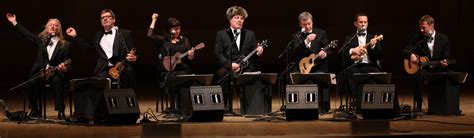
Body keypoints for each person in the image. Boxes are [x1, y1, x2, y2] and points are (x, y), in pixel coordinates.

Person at [6, 13, 71, 119]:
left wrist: (65, 68)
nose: (53, 26)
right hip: (41, 73)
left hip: (55, 73)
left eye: (55, 25)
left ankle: (61, 111)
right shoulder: (42, 41)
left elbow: (68, 61)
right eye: (50, 25)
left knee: (57, 81)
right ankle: (35, 110)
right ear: (46, 28)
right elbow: (27, 34)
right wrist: (14, 22)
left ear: (59, 29)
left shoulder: (65, 44)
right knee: (31, 82)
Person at [66, 9, 137, 89]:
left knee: (128, 75)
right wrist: (75, 36)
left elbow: (133, 51)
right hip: (104, 69)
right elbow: (88, 49)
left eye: (108, 17)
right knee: (96, 86)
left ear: (114, 19)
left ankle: (127, 100)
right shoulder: (98, 36)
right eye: (102, 17)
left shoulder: (125, 33)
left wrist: (134, 58)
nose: (105, 19)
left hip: (121, 67)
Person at [214, 6, 264, 115]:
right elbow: (218, 54)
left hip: (246, 67)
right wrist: (230, 64)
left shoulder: (250, 34)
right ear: (230, 19)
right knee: (222, 73)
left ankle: (250, 107)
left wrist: (258, 53)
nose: (240, 20)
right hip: (229, 67)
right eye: (237, 17)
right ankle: (225, 107)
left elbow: (254, 58)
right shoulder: (221, 34)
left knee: (253, 74)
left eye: (242, 18)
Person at [147, 13, 195, 117]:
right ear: (169, 29)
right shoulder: (164, 40)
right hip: (168, 71)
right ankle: (174, 106)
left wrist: (191, 56)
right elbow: (150, 35)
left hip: (182, 69)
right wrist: (153, 20)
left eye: (178, 28)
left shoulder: (185, 40)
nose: (177, 31)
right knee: (170, 78)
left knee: (185, 78)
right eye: (174, 29)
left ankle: (184, 108)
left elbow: (189, 59)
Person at [402, 15, 451, 112]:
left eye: (423, 27)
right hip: (424, 70)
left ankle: (443, 106)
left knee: (449, 75)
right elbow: (404, 51)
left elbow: (447, 56)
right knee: (417, 76)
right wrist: (410, 55)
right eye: (420, 27)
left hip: (438, 68)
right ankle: (418, 106)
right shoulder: (418, 38)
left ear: (431, 26)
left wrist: (445, 62)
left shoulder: (444, 39)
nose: (421, 30)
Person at [340, 12, 383, 113]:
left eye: (365, 22)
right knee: (349, 73)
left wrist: (373, 46)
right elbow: (341, 53)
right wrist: (352, 50)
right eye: (360, 22)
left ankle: (372, 104)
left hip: (370, 65)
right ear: (355, 23)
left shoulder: (373, 38)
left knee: (376, 73)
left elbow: (379, 55)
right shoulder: (349, 38)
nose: (363, 24)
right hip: (355, 66)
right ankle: (359, 103)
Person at [290, 11, 331, 113]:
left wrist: (324, 53)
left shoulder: (321, 33)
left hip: (318, 67)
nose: (308, 26)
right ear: (300, 24)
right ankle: (301, 107)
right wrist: (306, 41)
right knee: (296, 75)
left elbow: (328, 49)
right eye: (305, 24)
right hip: (302, 68)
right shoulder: (296, 36)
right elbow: (295, 51)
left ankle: (322, 108)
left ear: (312, 22)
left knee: (319, 76)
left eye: (309, 23)